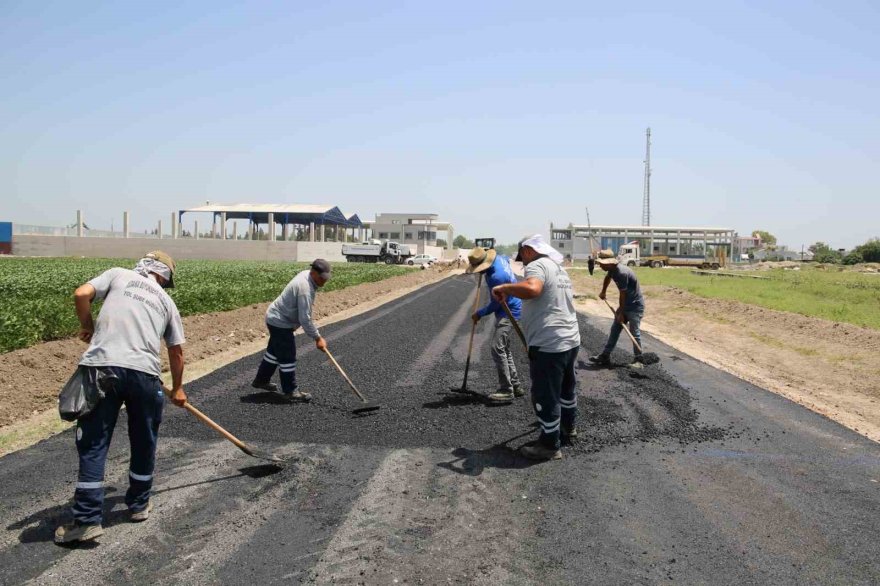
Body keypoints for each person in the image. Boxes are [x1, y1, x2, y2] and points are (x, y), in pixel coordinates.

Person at [55, 251, 186, 544]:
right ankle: (139, 505)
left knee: (94, 443)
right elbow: (176, 351)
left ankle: (87, 520)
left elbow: (81, 294)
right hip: (144, 375)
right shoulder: (166, 302)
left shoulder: (117, 274)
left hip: (103, 368)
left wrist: (88, 325)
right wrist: (178, 388)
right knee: (144, 439)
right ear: (164, 277)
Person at [491, 235, 580, 461]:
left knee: (545, 394)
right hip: (569, 339)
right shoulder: (559, 268)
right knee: (566, 389)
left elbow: (533, 289)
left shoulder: (537, 265)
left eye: (522, 258)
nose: (523, 263)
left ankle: (549, 445)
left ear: (529, 250)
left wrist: (506, 288)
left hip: (549, 343)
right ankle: (568, 429)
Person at [251, 259, 331, 402]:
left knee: (274, 352)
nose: (323, 282)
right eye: (321, 278)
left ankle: (261, 380)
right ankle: (290, 390)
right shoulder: (304, 289)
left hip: (275, 317)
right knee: (287, 356)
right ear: (313, 273)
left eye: (325, 278)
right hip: (280, 322)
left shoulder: (308, 276)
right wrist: (317, 338)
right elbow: (305, 318)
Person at [466, 246, 524, 403]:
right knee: (504, 349)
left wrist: (479, 313)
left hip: (509, 312)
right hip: (511, 307)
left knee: (497, 348)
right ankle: (516, 385)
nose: (478, 271)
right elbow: (505, 256)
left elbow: (496, 304)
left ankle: (506, 389)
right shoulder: (500, 259)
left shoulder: (496, 277)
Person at [589, 249, 645, 365]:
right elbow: (607, 278)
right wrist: (603, 291)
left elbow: (622, 294)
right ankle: (605, 356)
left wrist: (621, 313)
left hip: (635, 306)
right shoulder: (612, 269)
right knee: (615, 330)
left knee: (634, 332)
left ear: (609, 263)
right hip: (625, 305)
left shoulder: (621, 273)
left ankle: (639, 359)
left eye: (601, 264)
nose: (600, 266)